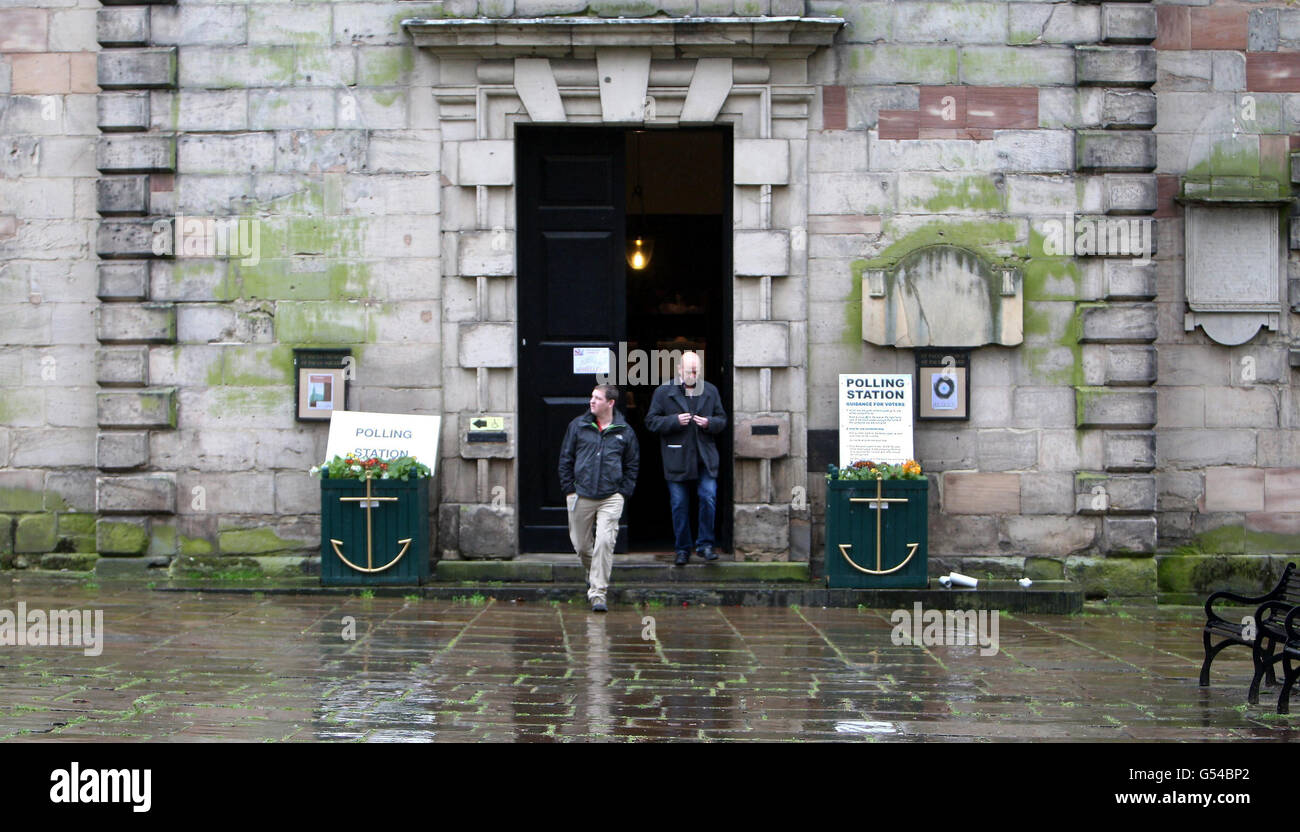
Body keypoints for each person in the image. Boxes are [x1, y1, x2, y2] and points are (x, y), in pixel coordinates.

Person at [558, 384, 639, 612]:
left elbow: (632, 464)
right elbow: (566, 459)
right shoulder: (578, 426)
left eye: (597, 398)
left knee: (604, 542)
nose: (591, 401)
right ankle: (593, 574)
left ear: (610, 403)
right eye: (591, 397)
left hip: (610, 496)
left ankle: (598, 594)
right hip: (580, 494)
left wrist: (623, 493)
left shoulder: (624, 431)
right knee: (582, 546)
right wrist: (569, 489)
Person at [644, 351, 727, 566]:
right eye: (690, 369)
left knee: (708, 497)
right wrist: (674, 421)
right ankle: (682, 548)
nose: (693, 373)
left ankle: (705, 545)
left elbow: (722, 420)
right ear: (679, 369)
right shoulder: (663, 392)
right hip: (677, 455)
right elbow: (651, 422)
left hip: (704, 456)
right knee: (679, 504)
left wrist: (709, 423)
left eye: (697, 370)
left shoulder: (710, 390)